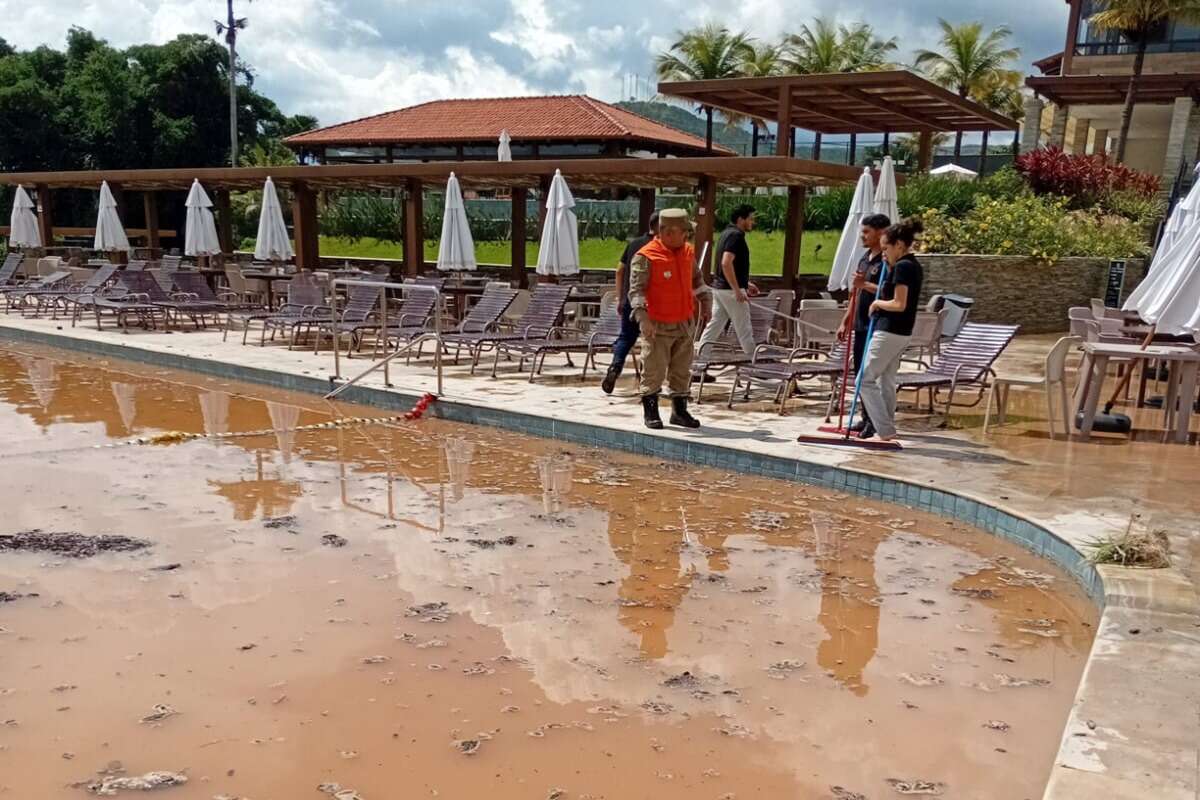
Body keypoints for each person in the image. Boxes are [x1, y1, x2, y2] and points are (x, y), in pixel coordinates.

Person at [628, 208, 712, 430]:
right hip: (657, 325)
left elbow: (697, 280)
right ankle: (651, 411)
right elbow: (636, 291)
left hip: (684, 323)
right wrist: (643, 319)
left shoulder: (687, 253)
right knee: (654, 369)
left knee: (682, 369)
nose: (685, 236)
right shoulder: (646, 257)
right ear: (666, 231)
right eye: (681, 232)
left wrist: (706, 301)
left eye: (686, 232)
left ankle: (680, 411)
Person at [858, 218, 924, 442]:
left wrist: (877, 304)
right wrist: (887, 265)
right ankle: (887, 427)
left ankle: (884, 430)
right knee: (886, 380)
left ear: (899, 245)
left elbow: (899, 303)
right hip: (902, 332)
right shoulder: (911, 265)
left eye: (886, 248)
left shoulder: (904, 267)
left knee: (864, 380)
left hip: (889, 330)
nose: (883, 252)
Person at [837, 213, 890, 432]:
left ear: (880, 233)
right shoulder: (863, 258)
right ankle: (864, 415)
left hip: (876, 325)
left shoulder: (887, 261)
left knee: (871, 376)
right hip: (860, 324)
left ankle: (874, 421)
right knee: (860, 373)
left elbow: (889, 293)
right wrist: (845, 321)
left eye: (867, 232)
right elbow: (854, 294)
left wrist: (864, 283)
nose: (862, 235)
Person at [602, 212, 658, 394]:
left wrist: (620, 297)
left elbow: (619, 271)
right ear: (659, 226)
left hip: (629, 300)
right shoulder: (658, 246)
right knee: (651, 341)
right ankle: (646, 381)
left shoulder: (633, 244)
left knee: (626, 338)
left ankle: (615, 368)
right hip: (650, 303)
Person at [697, 204, 759, 355]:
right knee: (744, 329)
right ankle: (754, 363)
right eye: (750, 219)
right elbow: (726, 263)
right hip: (730, 291)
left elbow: (727, 265)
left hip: (720, 289)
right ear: (740, 219)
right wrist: (737, 289)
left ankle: (700, 363)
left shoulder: (725, 233)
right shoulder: (736, 236)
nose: (752, 222)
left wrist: (746, 283)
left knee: (714, 326)